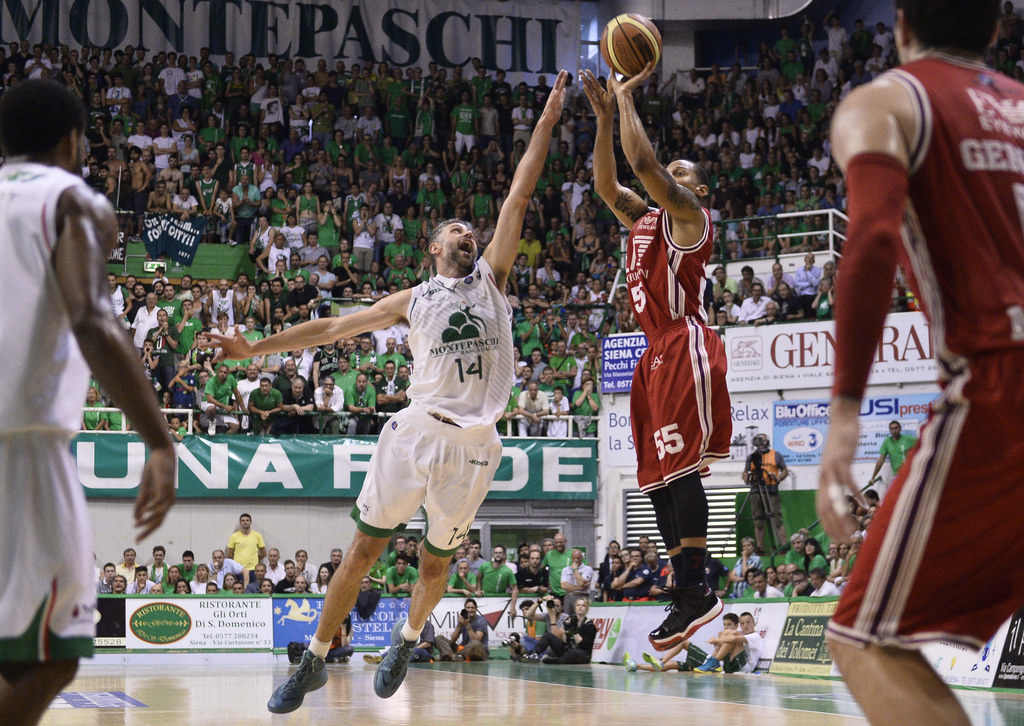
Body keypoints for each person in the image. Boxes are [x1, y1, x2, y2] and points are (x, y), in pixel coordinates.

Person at [210, 70, 570, 713]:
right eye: (456, 229)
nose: (468, 233)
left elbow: (519, 193)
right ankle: (314, 661)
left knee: (435, 565)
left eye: (471, 229)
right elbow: (330, 326)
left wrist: (545, 122)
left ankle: (406, 640)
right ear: (434, 248)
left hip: (476, 446)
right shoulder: (412, 299)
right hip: (415, 431)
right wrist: (252, 349)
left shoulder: (494, 280)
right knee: (364, 549)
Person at [814, 3, 1024, 725]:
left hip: (1001, 384)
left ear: (900, 25)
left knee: (861, 637)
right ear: (997, 29)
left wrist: (844, 417)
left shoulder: (886, 102)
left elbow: (870, 241)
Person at [0, 79, 176, 726]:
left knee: (19, 652)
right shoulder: (70, 199)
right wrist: (158, 438)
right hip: (22, 445)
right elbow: (94, 319)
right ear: (73, 141)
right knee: (59, 651)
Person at [581, 65, 731, 653]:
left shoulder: (691, 220)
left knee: (683, 470)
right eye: (672, 173)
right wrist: (601, 122)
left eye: (681, 174)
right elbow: (606, 185)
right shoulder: (645, 220)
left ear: (698, 191)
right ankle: (687, 590)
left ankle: (698, 588)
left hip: (685, 341)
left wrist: (623, 98)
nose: (669, 176)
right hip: (653, 356)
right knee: (656, 481)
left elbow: (642, 166)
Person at [742, 434, 789, 551]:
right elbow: (745, 472)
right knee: (758, 520)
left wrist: (779, 478)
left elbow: (785, 470)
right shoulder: (751, 457)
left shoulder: (775, 455)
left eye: (762, 439)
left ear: (767, 441)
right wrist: (746, 478)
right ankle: (759, 547)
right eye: (758, 439)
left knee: (777, 518)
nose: (760, 442)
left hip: (771, 490)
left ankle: (783, 546)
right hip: (756, 490)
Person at [693, 611, 764, 674]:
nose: (745, 625)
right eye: (742, 623)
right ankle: (712, 662)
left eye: (748, 622)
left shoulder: (755, 636)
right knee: (725, 635)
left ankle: (713, 662)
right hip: (732, 664)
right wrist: (718, 643)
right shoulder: (742, 634)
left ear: (754, 623)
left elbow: (734, 638)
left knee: (732, 635)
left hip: (745, 667)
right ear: (740, 625)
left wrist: (717, 640)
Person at [867, 420, 918, 492]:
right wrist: (873, 477)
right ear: (890, 431)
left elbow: (923, 444)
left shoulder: (908, 439)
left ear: (900, 429)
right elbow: (881, 460)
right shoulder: (887, 441)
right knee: (894, 496)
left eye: (896, 428)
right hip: (896, 475)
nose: (894, 430)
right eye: (892, 429)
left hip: (909, 474)